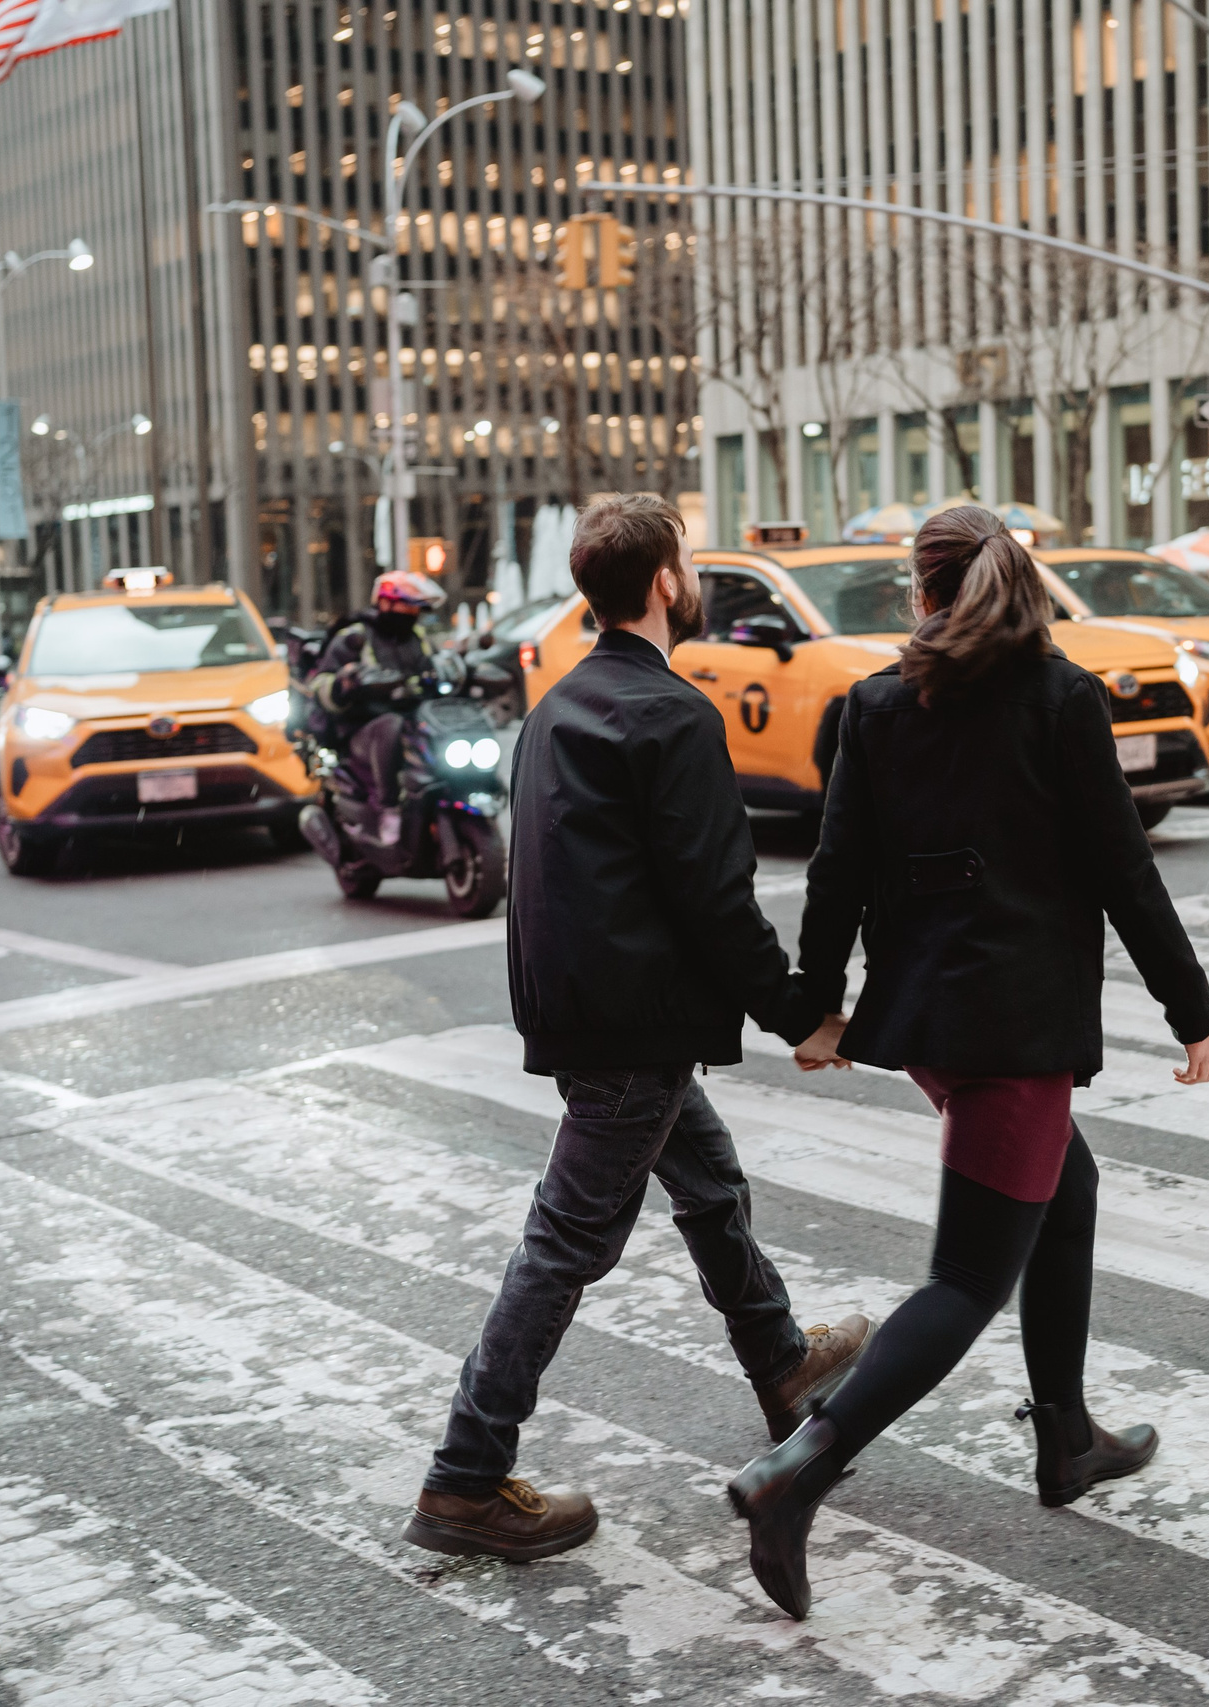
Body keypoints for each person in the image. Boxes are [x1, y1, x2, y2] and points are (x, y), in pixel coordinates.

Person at [726, 504, 1209, 1621]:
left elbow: (834, 872)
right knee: (966, 1279)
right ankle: (796, 1471)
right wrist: (1191, 1007)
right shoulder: (1058, 698)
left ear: (921, 592)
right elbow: (1120, 871)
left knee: (1067, 1191)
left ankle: (1063, 1437)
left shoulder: (878, 703)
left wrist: (817, 1010)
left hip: (930, 1028)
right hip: (1015, 1032)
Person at [404, 493, 869, 1564]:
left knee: (707, 1180)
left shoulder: (559, 707)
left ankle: (782, 1359)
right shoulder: (670, 715)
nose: (695, 576)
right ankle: (465, 1477)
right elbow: (717, 901)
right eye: (691, 561)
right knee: (562, 1245)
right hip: (632, 1025)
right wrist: (806, 1015)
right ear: (665, 581)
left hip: (586, 1013)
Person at [307, 569, 443, 844]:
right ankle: (388, 808)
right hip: (362, 730)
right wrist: (344, 684)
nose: (412, 613)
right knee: (389, 725)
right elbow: (318, 683)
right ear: (386, 602)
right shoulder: (354, 637)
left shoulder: (418, 638)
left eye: (416, 608)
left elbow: (437, 669)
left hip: (412, 721)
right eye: (407, 605)